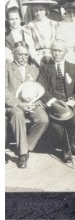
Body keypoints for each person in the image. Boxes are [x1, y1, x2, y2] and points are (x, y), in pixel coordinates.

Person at [37, 39, 75, 163]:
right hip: (54, 104)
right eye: (54, 50)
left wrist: (73, 99)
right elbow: (41, 87)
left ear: (66, 51)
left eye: (59, 50)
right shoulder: (45, 69)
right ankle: (70, 149)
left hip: (70, 103)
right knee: (56, 126)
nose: (56, 53)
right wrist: (53, 101)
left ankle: (67, 148)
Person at [5, 41, 49, 169]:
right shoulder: (6, 68)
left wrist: (35, 103)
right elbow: (4, 90)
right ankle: (23, 154)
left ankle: (26, 146)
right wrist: (19, 103)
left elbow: (39, 90)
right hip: (13, 105)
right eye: (20, 54)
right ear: (14, 54)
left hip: (32, 104)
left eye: (25, 55)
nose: (23, 57)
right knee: (18, 114)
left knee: (43, 119)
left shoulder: (34, 70)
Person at [22, 0, 59, 66]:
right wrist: (39, 62)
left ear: (46, 10)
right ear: (32, 10)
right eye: (36, 10)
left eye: (41, 10)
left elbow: (59, 44)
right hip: (37, 58)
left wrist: (56, 59)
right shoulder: (29, 27)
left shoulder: (55, 24)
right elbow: (30, 47)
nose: (38, 13)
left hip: (54, 57)